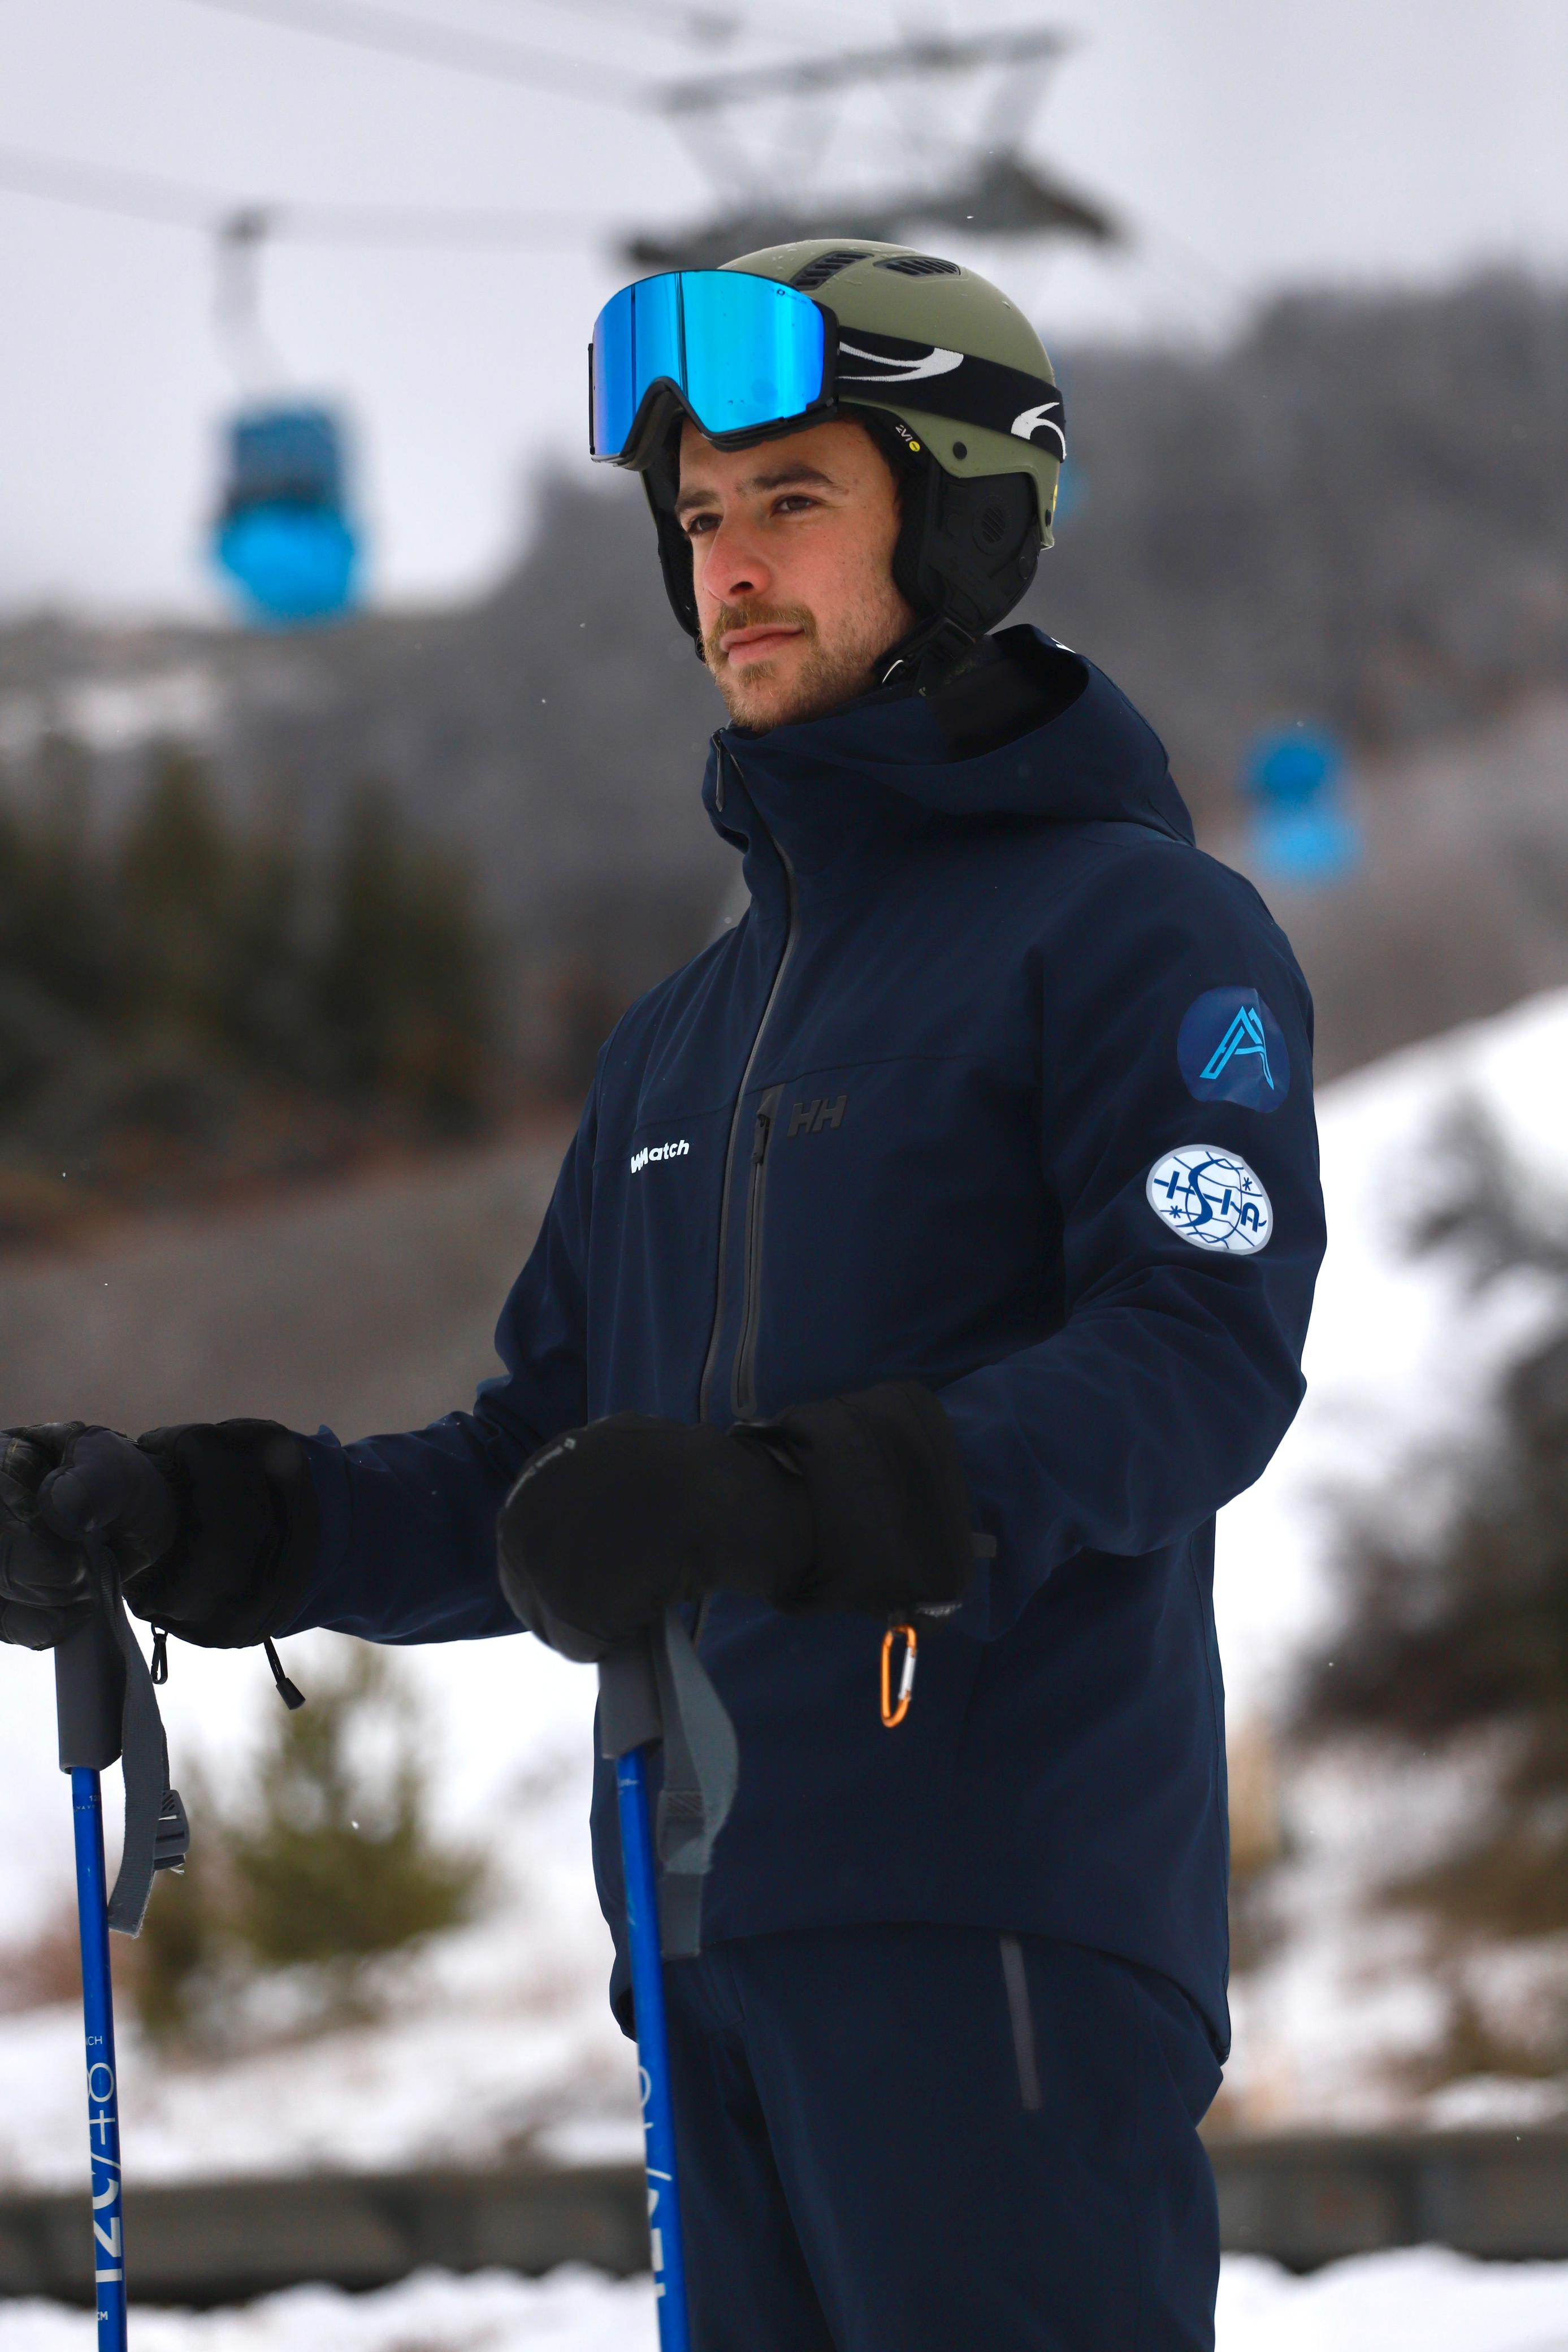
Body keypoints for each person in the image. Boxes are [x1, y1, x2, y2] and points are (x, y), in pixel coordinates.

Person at [0, 243, 1324, 2349]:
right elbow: (544, 1468)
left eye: (793, 498)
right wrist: (219, 1516)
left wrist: (791, 1501)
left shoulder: (1145, 933)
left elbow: (1191, 1365)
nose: (729, 567)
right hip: (704, 1939)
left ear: (964, 516)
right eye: (699, 519)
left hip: (996, 1931)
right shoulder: (682, 1040)